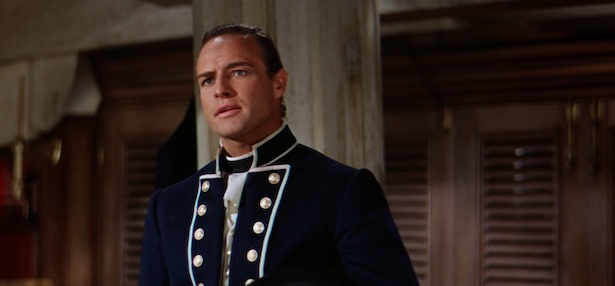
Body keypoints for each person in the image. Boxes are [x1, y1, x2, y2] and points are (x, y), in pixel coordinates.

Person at [139, 23, 419, 286]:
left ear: (278, 83)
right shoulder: (169, 206)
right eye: (207, 80)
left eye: (238, 72)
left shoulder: (341, 191)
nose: (221, 90)